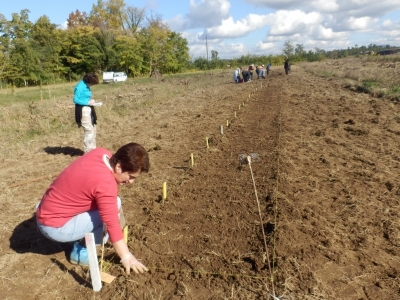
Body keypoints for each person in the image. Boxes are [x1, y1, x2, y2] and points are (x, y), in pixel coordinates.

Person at [36, 142, 150, 275]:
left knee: (114, 203)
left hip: (47, 209)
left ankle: (81, 236)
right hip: (53, 226)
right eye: (130, 177)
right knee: (109, 216)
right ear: (118, 167)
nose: (131, 182)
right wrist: (127, 257)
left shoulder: (101, 153)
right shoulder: (105, 183)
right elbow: (111, 222)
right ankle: (81, 251)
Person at [73, 73, 100, 153]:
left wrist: (91, 101)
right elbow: (75, 100)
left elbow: (85, 97)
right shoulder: (80, 87)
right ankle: (88, 152)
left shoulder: (87, 86)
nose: (92, 85)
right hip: (83, 110)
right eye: (92, 83)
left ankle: (93, 150)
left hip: (89, 108)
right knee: (88, 130)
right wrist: (87, 102)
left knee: (93, 129)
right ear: (88, 81)